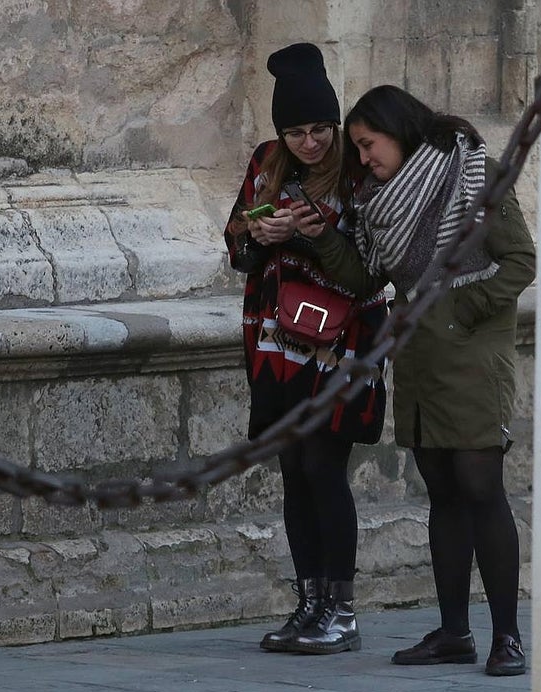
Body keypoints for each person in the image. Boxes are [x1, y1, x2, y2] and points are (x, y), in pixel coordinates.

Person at [305, 84, 535, 676]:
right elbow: (365, 279)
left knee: (480, 484)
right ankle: (454, 631)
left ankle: (507, 636)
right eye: (356, 149)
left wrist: (458, 309)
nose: (363, 159)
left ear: (398, 130)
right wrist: (321, 237)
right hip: (419, 357)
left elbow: (520, 261)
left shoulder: (470, 170)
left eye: (367, 144)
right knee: (441, 489)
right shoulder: (379, 199)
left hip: (473, 352)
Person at [222, 43, 388, 656]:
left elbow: (374, 271)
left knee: (324, 467)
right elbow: (237, 244)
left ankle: (341, 612)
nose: (311, 142)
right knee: (294, 471)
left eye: (321, 128)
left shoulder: (358, 166)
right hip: (278, 341)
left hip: (342, 346)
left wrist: (319, 237)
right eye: (297, 132)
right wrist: (258, 236)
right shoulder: (265, 161)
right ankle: (308, 603)